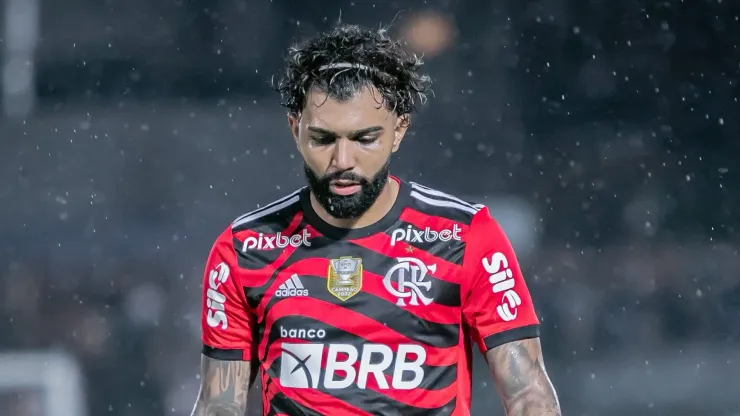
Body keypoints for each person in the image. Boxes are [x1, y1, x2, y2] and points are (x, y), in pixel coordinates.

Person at [190, 24, 560, 416]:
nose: (343, 161)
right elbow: (219, 404)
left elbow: (527, 395)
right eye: (323, 139)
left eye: (365, 139)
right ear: (294, 127)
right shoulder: (245, 248)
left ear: (399, 130)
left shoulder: (465, 237)